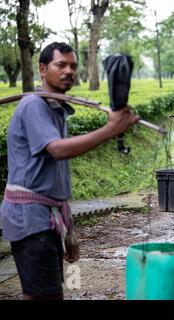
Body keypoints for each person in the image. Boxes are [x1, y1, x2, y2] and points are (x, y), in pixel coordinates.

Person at [0, 42, 139, 300]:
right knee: (44, 294)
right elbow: (57, 150)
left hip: (46, 217)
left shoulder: (57, 110)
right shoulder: (34, 105)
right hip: (30, 218)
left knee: (45, 293)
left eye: (73, 66)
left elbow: (56, 180)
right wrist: (111, 130)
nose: (69, 71)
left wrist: (68, 232)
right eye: (60, 65)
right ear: (42, 69)